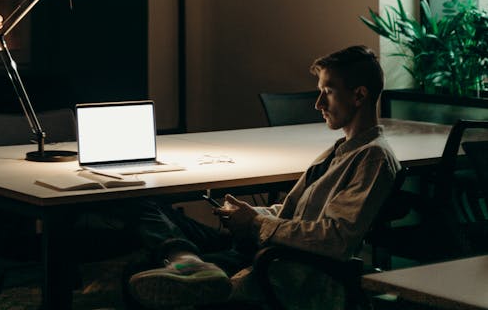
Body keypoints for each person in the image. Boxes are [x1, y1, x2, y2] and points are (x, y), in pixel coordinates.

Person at [126, 44, 401, 308]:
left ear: (359, 96)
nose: (318, 104)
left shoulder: (372, 158)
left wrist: (257, 223)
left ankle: (188, 261)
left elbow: (335, 238)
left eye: (327, 92)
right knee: (146, 206)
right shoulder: (341, 150)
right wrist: (251, 213)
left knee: (138, 271)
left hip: (278, 263)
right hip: (263, 244)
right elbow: (301, 213)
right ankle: (187, 259)